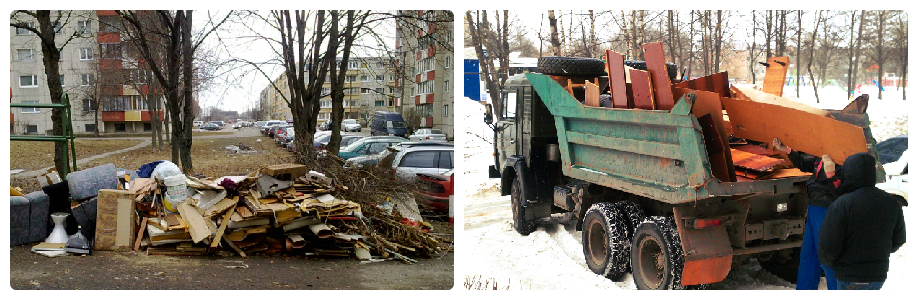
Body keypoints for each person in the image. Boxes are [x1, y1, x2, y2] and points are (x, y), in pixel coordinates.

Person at [818, 152, 906, 290]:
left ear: (848, 173)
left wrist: (835, 264)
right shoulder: (892, 202)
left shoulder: (842, 204)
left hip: (849, 275)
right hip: (877, 275)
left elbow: (828, 244)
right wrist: (878, 254)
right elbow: (899, 239)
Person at [772, 138, 841, 290]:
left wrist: (831, 175)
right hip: (814, 208)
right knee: (808, 256)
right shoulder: (820, 157)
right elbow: (804, 164)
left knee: (826, 256)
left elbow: (841, 189)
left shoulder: (842, 159)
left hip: (827, 210)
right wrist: (787, 150)